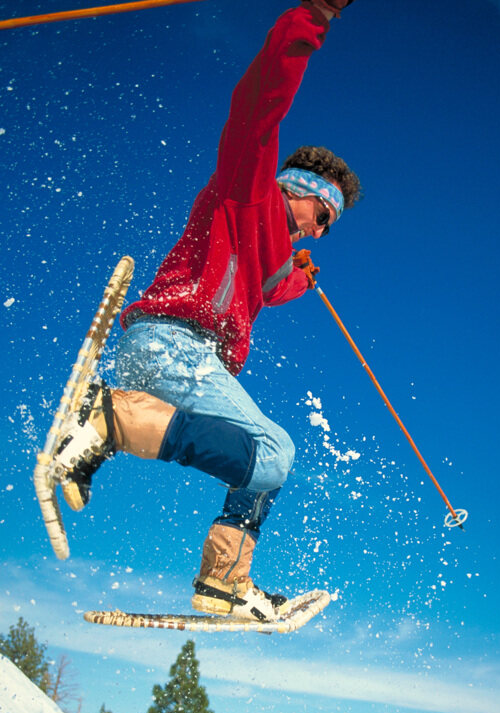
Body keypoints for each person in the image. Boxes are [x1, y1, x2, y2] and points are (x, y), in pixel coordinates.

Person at [55, 0, 362, 623]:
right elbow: (260, 103)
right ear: (298, 191)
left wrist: (298, 278)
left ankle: (220, 581)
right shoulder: (246, 190)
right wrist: (313, 17)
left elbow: (267, 289)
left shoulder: (275, 255)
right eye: (323, 216)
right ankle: (110, 420)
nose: (323, 231)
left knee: (268, 461)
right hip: (172, 343)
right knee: (274, 450)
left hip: (180, 358)